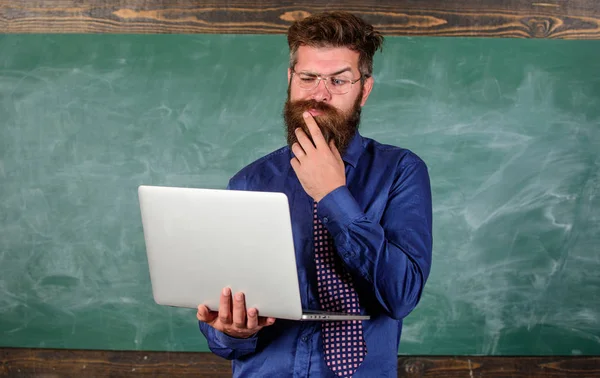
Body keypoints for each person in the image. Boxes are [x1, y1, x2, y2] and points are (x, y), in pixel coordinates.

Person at [197, 11, 433, 377]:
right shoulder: (249, 181)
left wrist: (334, 195)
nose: (319, 94)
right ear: (290, 79)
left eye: (338, 81)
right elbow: (221, 336)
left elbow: (401, 296)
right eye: (308, 78)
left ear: (364, 90)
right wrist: (231, 332)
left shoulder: (401, 171)